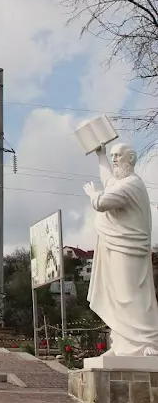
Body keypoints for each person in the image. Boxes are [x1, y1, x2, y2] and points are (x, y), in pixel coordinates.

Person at [84, 141, 158, 356]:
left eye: (118, 155)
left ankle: (147, 343)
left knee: (132, 295)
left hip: (130, 250)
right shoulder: (122, 182)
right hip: (118, 249)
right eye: (113, 156)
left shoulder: (131, 185)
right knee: (117, 296)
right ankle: (124, 345)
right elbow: (109, 180)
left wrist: (92, 194)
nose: (115, 159)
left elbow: (102, 202)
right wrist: (101, 155)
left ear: (131, 158)